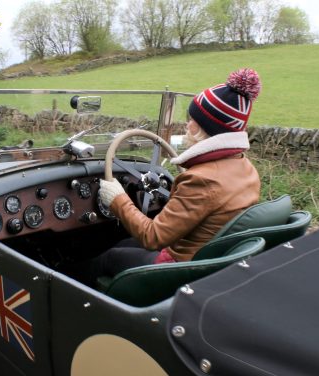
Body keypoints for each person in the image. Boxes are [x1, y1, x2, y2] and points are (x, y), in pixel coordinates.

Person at [95, 68, 262, 278]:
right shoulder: (246, 167)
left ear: (205, 128)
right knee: (123, 243)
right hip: (205, 256)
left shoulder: (201, 179)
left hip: (180, 267)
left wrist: (117, 199)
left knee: (110, 257)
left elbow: (152, 236)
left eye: (191, 119)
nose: (187, 124)